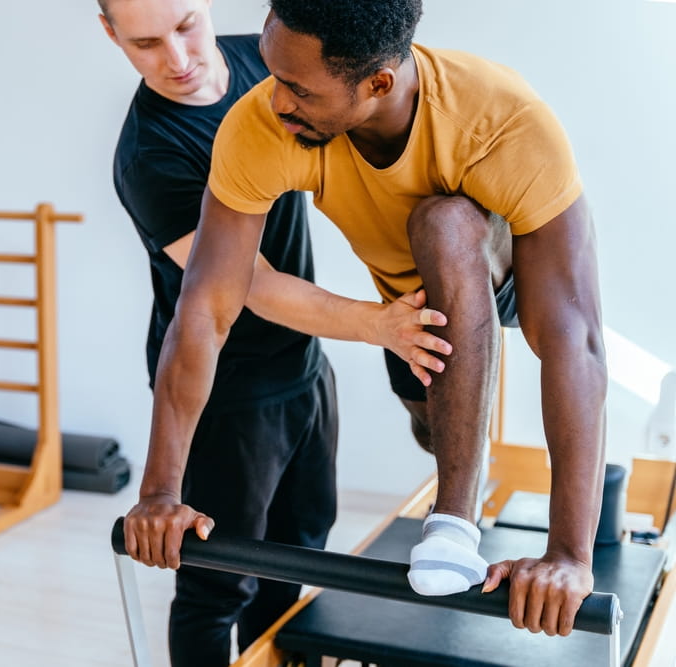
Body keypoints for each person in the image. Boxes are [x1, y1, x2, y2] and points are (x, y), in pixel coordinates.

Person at [131, 0, 607, 640]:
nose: (276, 101)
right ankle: (460, 462)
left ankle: (455, 522)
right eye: (274, 76)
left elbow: (573, 339)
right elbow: (205, 307)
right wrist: (160, 490)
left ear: (377, 84)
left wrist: (570, 554)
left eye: (298, 88)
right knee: (430, 429)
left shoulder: (500, 118)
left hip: (510, 271)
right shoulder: (263, 125)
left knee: (444, 223)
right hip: (412, 303)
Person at [99, 0, 453, 664]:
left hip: (303, 369)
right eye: (146, 43)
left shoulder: (267, 64)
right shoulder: (150, 157)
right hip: (222, 396)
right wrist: (378, 323)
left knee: (299, 560)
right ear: (111, 34)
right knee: (217, 586)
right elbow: (246, 284)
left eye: (184, 27)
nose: (177, 60)